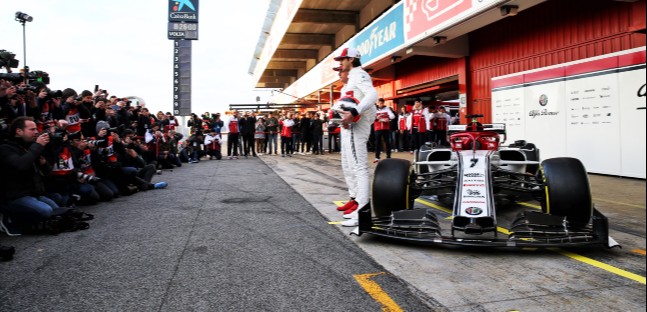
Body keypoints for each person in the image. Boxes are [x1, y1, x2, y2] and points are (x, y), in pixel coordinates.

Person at [333, 47, 378, 227]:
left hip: (356, 126)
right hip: (351, 125)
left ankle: (362, 211)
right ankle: (357, 202)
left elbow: (373, 95)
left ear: (351, 59)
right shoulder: (352, 77)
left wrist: (355, 112)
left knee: (359, 167)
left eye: (342, 59)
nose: (340, 63)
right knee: (349, 165)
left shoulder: (359, 74)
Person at [0, 116, 68, 235]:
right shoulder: (5, 148)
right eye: (32, 129)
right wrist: (37, 147)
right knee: (46, 211)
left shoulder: (30, 147)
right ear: (19, 131)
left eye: (36, 129)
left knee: (55, 209)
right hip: (14, 196)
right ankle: (9, 221)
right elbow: (21, 165)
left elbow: (48, 172)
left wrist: (44, 160)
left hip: (33, 193)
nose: (36, 132)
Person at [373, 98, 395, 163]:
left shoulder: (387, 109)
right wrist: (376, 118)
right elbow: (371, 117)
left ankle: (388, 156)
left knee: (387, 142)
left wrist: (387, 118)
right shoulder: (374, 110)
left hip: (385, 128)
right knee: (377, 143)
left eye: (382, 103)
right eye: (380, 103)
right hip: (378, 128)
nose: (381, 104)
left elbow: (393, 116)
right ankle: (377, 157)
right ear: (378, 103)